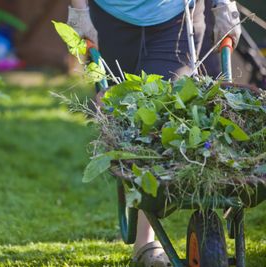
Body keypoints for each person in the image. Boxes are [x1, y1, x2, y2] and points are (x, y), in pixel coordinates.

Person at [67, 0, 241, 266]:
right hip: (110, 18)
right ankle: (146, 240)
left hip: (176, 18)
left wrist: (224, 5)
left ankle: (148, 239)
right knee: (125, 119)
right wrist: (80, 13)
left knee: (159, 119)